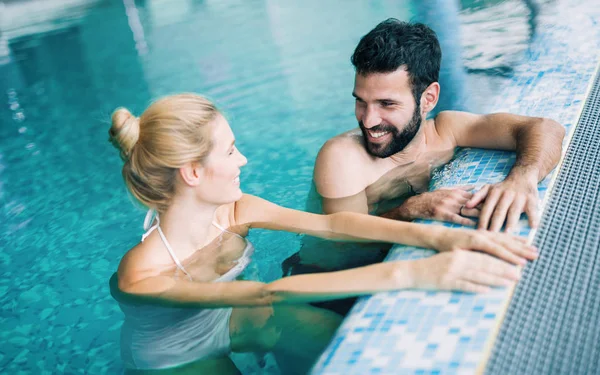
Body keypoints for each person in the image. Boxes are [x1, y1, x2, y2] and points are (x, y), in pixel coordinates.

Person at [108, 94, 537, 374]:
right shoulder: (140, 273)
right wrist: (413, 273)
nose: (244, 159)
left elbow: (333, 225)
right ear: (193, 172)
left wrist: (440, 238)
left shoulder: (236, 210)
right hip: (174, 354)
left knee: (344, 347)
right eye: (231, 150)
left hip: (226, 314)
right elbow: (265, 293)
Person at [314, 19, 565, 232]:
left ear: (428, 99)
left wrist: (522, 178)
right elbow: (342, 242)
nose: (368, 120)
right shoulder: (343, 157)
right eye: (361, 102)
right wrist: (409, 210)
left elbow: (547, 128)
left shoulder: (446, 130)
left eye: (387, 104)